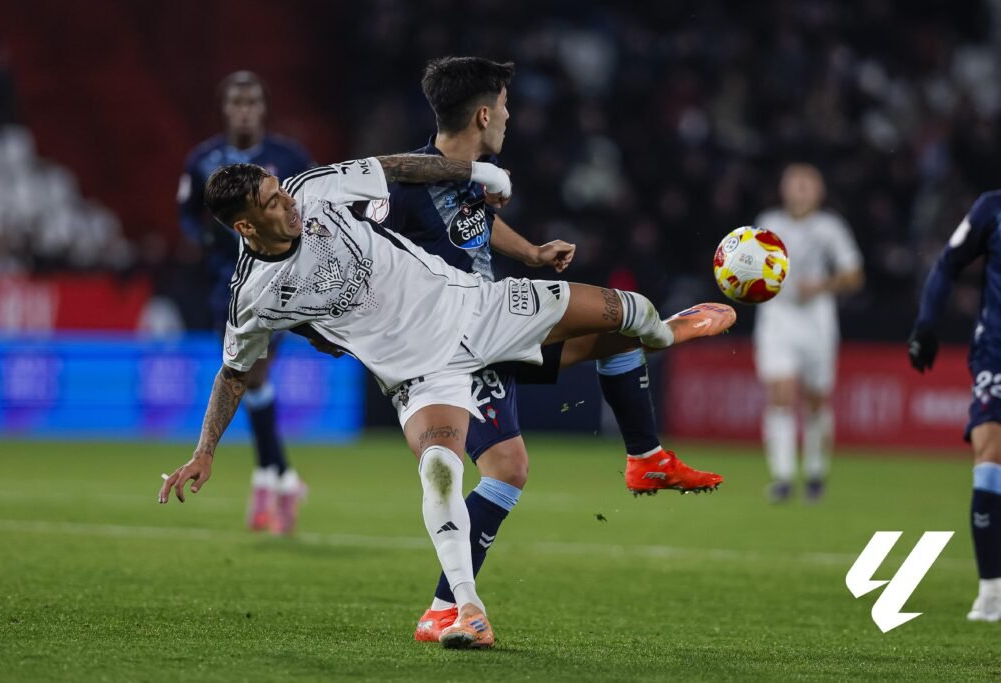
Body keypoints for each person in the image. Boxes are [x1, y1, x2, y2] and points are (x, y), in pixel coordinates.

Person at [158, 153, 735, 649]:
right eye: (271, 199)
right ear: (244, 225)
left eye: (279, 187)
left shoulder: (315, 189)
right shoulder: (253, 297)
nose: (287, 200)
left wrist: (482, 171)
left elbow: (401, 167)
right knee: (440, 470)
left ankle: (670, 332)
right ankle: (466, 610)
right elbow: (234, 373)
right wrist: (204, 451)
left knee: (627, 309)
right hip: (419, 375)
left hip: (476, 309)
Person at [367, 56, 724, 643]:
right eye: (504, 105)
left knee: (613, 335)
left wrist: (530, 253)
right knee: (507, 469)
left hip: (495, 323)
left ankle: (646, 458)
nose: (510, 114)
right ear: (483, 113)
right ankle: (443, 609)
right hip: (454, 346)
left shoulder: (474, 173)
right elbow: (369, 254)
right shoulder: (407, 186)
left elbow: (473, 224)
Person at [177, 71, 312, 533]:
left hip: (276, 279)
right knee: (250, 378)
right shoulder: (203, 159)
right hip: (225, 283)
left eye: (252, 101)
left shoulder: (289, 157)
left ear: (263, 107)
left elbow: (310, 207)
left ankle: (276, 477)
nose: (244, 110)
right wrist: (209, 241)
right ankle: (274, 475)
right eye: (236, 102)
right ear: (225, 109)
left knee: (254, 374)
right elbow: (187, 212)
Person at [908, 191, 1001, 622]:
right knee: (990, 454)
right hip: (996, 352)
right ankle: (991, 592)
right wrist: (926, 324)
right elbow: (947, 263)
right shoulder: (992, 209)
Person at [753, 163, 863, 503]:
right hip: (778, 315)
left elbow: (854, 275)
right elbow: (744, 267)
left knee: (816, 400)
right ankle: (783, 477)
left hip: (817, 317)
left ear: (819, 192)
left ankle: (815, 473)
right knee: (780, 393)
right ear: (784, 190)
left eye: (806, 185)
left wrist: (823, 285)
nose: (799, 190)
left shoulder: (830, 227)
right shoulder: (768, 223)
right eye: (793, 184)